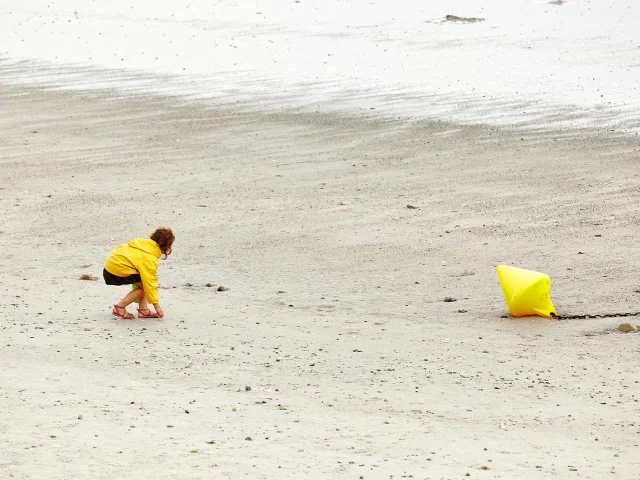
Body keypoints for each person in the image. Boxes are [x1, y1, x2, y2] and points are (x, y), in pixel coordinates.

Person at [103, 227, 175, 319]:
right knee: (145, 287)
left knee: (142, 280)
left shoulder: (141, 245)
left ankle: (143, 310)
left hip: (110, 266)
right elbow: (150, 283)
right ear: (167, 246)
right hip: (116, 270)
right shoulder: (149, 258)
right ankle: (120, 307)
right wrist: (156, 306)